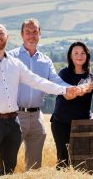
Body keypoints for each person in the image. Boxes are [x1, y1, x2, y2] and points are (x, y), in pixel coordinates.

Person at [0, 24, 79, 179]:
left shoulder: (15, 63)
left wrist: (65, 90)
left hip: (13, 123)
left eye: (2, 33)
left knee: (8, 171)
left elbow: (38, 81)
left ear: (8, 37)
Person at [9, 18, 68, 171]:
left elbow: (56, 82)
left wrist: (73, 89)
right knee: (8, 163)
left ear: (40, 34)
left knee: (34, 168)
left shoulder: (46, 61)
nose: (31, 35)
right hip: (14, 116)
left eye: (35, 31)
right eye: (27, 32)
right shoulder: (11, 58)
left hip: (36, 117)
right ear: (21, 34)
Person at [50, 41, 93, 168]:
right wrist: (83, 88)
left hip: (82, 123)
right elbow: (68, 95)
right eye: (76, 53)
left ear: (87, 56)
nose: (79, 56)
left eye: (82, 53)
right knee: (63, 159)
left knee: (82, 161)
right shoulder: (64, 73)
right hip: (62, 122)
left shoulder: (90, 76)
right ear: (70, 56)